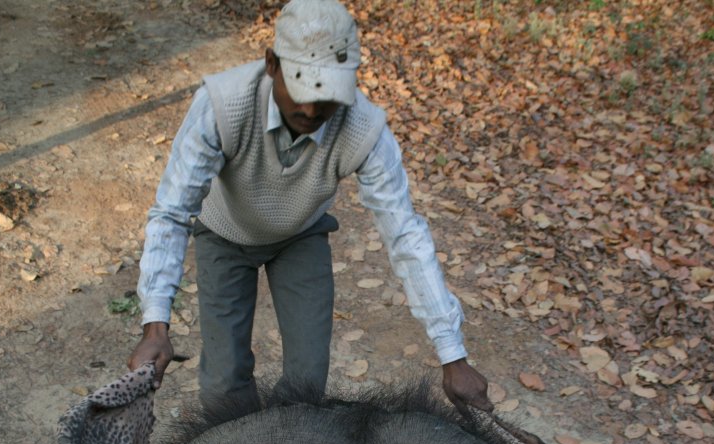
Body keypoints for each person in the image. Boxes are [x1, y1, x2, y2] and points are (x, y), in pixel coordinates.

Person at [127, 0, 492, 414]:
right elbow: (172, 212)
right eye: (300, 88)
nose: (310, 110)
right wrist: (156, 325)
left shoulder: (364, 128)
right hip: (224, 233)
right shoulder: (221, 105)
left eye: (327, 98)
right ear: (271, 64)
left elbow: (405, 233)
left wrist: (453, 355)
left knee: (307, 382)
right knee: (223, 385)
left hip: (300, 236)